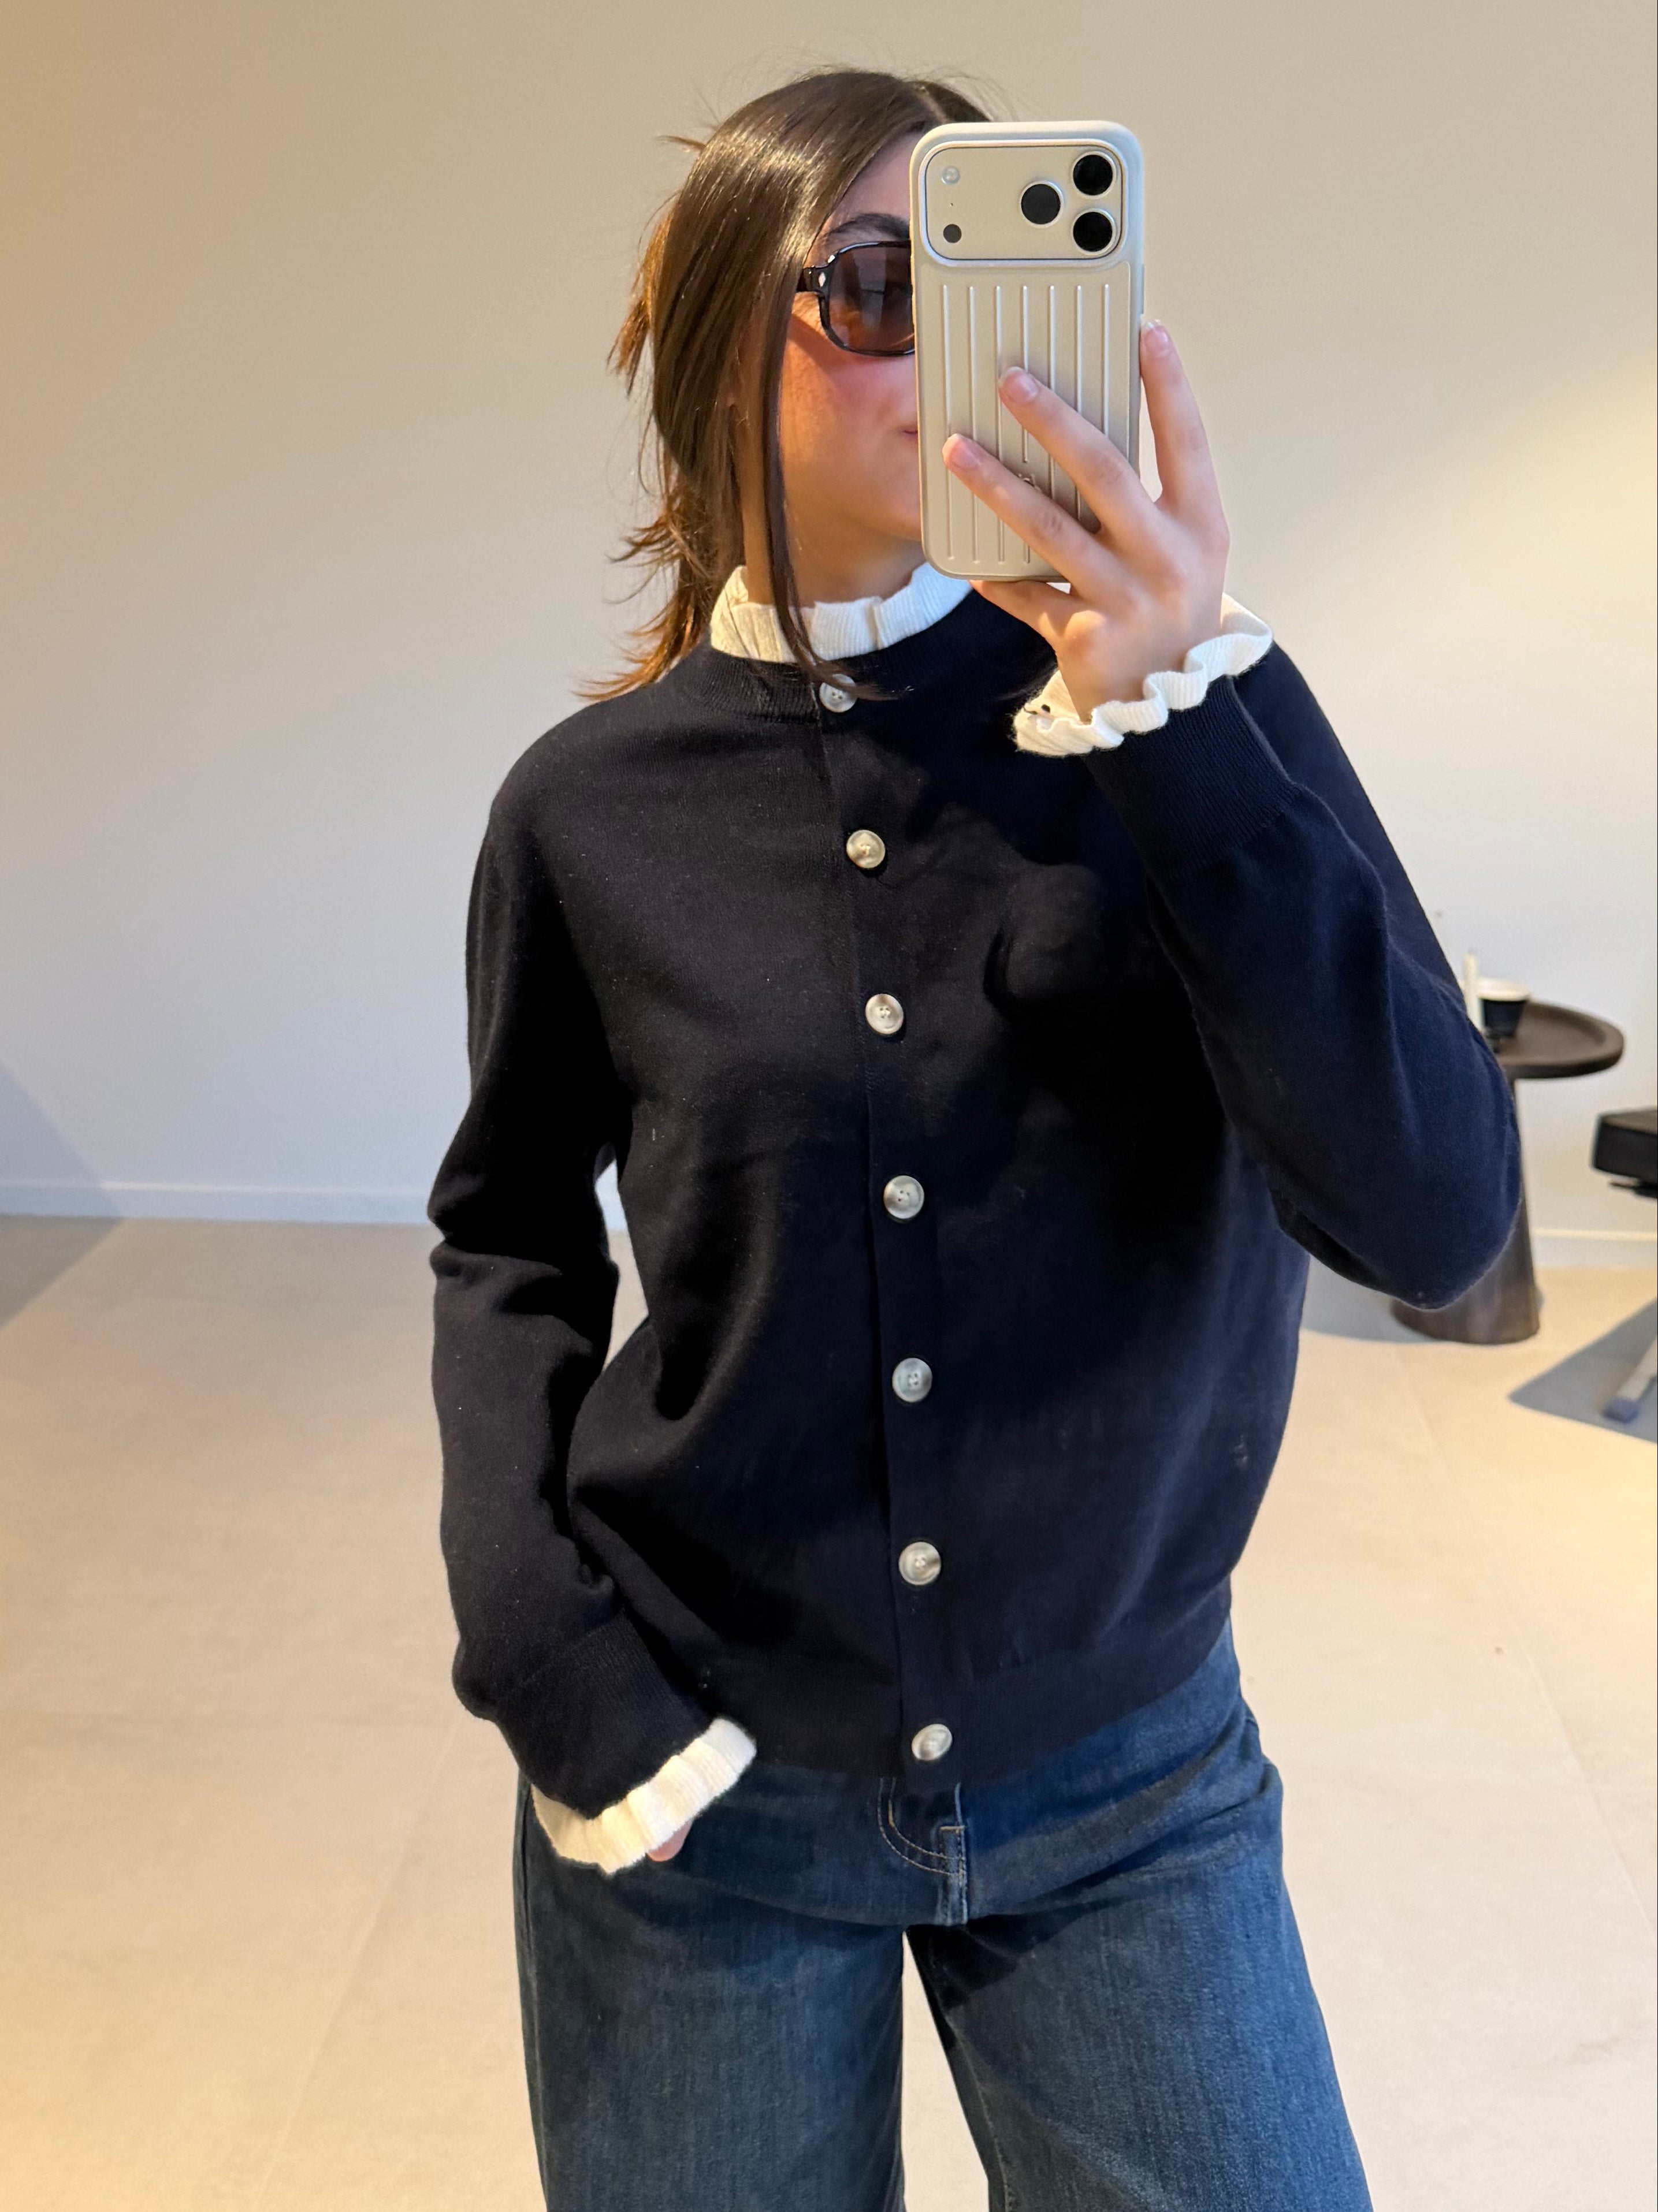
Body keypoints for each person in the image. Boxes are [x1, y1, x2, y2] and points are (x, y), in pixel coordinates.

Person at [427, 65, 1519, 2212]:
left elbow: (1435, 1217)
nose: (951, 349)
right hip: (704, 1780)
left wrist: (1176, 724)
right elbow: (508, 1239)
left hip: (1127, 1777)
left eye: (1000, 278)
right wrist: (545, 1654)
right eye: (876, 284)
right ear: (716, 350)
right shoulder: (586, 810)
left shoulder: (1196, 710)